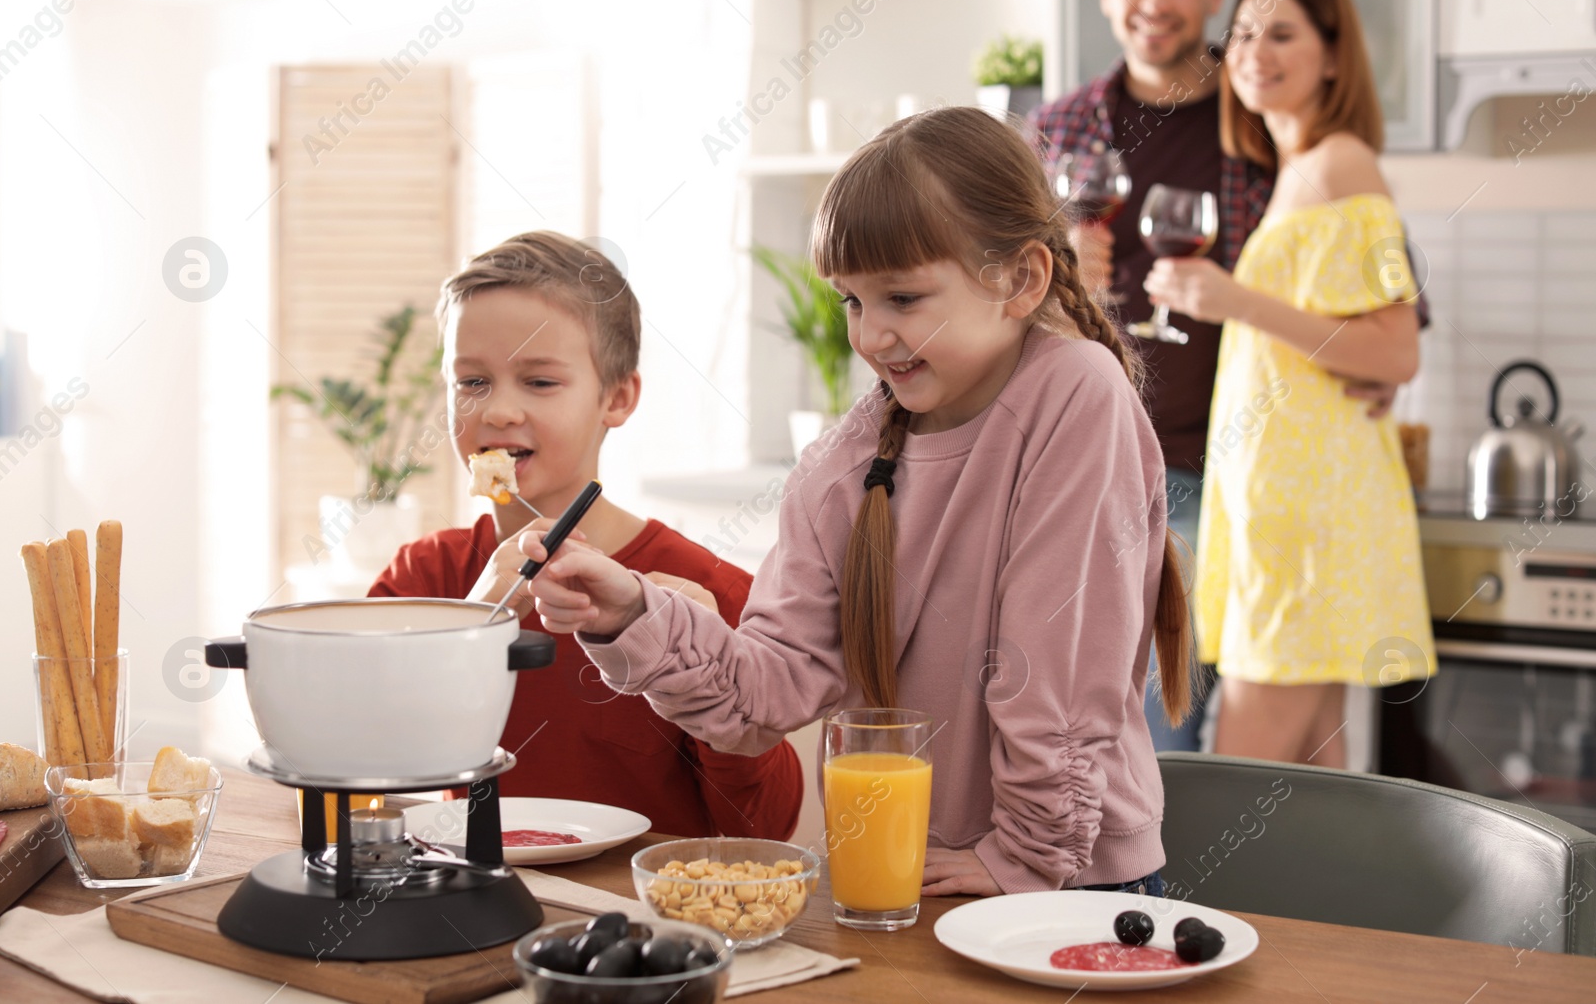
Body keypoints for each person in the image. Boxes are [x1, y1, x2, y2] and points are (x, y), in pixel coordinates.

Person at [515, 107, 1195, 897]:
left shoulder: (1076, 393)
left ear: (1020, 279)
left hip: (1063, 884)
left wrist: (1028, 857)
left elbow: (1054, 673)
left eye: (903, 298)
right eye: (852, 302)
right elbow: (762, 693)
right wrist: (631, 610)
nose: (870, 336)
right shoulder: (844, 465)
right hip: (908, 877)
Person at [1029, 0, 1408, 752]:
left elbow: (1383, 300)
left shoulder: (1268, 123)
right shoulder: (1055, 129)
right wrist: (1060, 272)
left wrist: (1380, 372)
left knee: (1177, 748)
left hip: (1223, 472)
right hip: (1085, 472)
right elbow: (992, 295)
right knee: (1088, 728)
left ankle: (1175, 883)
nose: (1154, 2)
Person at [368, 231, 803, 840]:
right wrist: (471, 623)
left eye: (540, 382)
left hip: (644, 917)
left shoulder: (709, 591)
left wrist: (706, 670)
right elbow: (353, 755)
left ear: (617, 398)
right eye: (471, 382)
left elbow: (766, 828)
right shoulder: (423, 577)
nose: (497, 412)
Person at [1142, 0, 1436, 767]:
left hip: (1308, 518)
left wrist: (1231, 298)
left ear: (1334, 57)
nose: (1253, 52)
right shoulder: (1300, 168)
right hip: (1284, 511)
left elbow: (1395, 345)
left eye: (1282, 34)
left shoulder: (1342, 165)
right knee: (1308, 797)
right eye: (1240, 34)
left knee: (1241, 785)